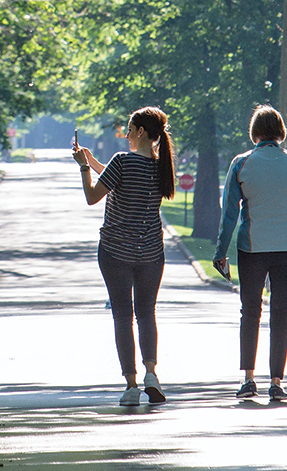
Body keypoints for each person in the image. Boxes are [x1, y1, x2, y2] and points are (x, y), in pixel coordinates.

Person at [73, 106, 176, 406]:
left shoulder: (121, 161)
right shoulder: (160, 166)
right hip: (151, 253)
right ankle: (151, 374)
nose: (127, 135)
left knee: (122, 316)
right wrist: (92, 160)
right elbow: (121, 175)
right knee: (146, 313)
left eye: (130, 130)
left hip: (116, 251)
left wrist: (82, 167)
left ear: (141, 131)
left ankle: (131, 385)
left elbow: (93, 196)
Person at [213, 105, 287, 401]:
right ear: (281, 132)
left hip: (252, 247)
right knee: (280, 314)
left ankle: (248, 379)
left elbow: (230, 213)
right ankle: (277, 381)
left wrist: (221, 250)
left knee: (251, 311)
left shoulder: (241, 163)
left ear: (254, 132)